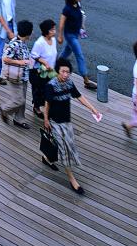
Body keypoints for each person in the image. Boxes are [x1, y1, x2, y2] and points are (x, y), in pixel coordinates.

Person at [43, 60, 102, 194]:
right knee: (65, 148)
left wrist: (93, 109)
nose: (65, 74)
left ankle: (47, 158)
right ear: (57, 71)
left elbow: (79, 97)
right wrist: (46, 120)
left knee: (68, 144)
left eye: (68, 72)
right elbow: (47, 104)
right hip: (55, 122)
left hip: (67, 121)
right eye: (63, 71)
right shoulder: (51, 85)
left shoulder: (69, 83)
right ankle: (72, 179)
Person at [58, 0, 97, 90]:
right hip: (70, 35)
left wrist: (82, 27)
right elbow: (61, 23)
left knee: (66, 52)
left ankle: (55, 65)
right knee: (79, 55)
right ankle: (86, 80)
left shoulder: (77, 5)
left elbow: (80, 16)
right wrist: (60, 36)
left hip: (75, 34)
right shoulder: (67, 9)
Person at [0, 19, 34, 130]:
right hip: (15, 77)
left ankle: (19, 119)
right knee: (19, 100)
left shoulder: (21, 42)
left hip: (23, 76)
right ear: (28, 34)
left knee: (22, 98)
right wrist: (20, 62)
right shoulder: (15, 44)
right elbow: (5, 58)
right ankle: (4, 109)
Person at [29, 19, 60, 118]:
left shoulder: (53, 40)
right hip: (40, 72)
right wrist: (45, 62)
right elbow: (34, 55)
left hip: (50, 71)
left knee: (50, 90)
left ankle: (47, 107)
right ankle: (36, 107)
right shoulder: (40, 43)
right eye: (52, 30)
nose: (54, 31)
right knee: (39, 90)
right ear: (46, 31)